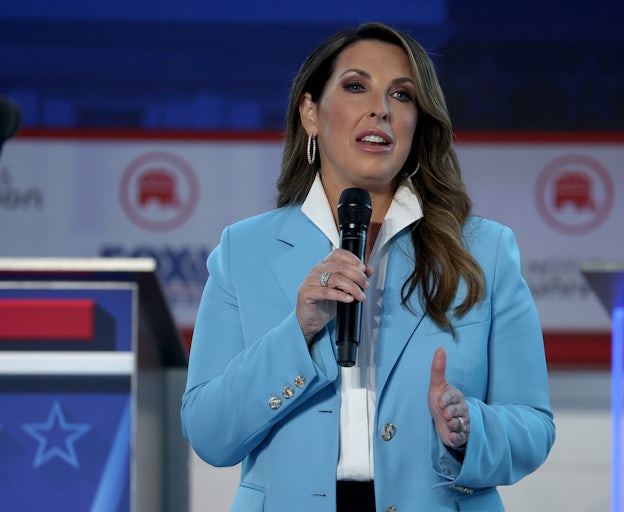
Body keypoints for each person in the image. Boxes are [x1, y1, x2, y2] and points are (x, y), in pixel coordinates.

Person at [181, 21, 555, 511]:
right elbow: (209, 433)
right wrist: (298, 332)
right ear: (310, 113)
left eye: (402, 95)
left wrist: (470, 429)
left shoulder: (485, 250)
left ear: (418, 122)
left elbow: (533, 427)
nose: (381, 108)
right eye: (356, 87)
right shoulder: (244, 250)